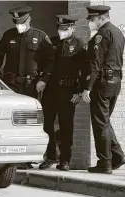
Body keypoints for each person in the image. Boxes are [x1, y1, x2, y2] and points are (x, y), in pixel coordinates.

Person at [0, 6, 55, 169]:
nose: (19, 25)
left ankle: (32, 156)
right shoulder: (9, 36)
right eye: (16, 22)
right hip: (11, 86)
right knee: (12, 121)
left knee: (30, 122)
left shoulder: (40, 37)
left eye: (21, 22)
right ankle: (15, 158)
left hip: (31, 85)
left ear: (29, 20)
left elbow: (51, 60)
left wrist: (44, 80)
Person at [39, 15, 88, 171]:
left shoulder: (79, 44)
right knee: (47, 125)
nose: (62, 31)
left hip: (68, 91)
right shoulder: (51, 42)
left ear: (72, 28)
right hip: (50, 91)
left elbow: (85, 69)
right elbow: (44, 63)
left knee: (66, 126)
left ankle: (65, 160)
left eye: (65, 29)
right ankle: (50, 156)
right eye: (60, 29)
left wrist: (80, 91)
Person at [82, 5, 125, 174]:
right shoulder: (118, 32)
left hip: (102, 83)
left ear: (101, 18)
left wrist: (87, 87)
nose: (90, 23)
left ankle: (105, 163)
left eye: (92, 19)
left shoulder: (101, 35)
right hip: (115, 81)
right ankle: (117, 155)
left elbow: (95, 63)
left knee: (100, 123)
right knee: (104, 121)